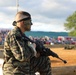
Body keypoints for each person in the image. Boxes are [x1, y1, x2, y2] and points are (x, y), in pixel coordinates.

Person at [2, 11, 52, 75]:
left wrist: (38, 53)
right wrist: (33, 49)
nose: (31, 24)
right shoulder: (14, 35)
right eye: (29, 21)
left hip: (22, 67)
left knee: (44, 60)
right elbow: (21, 56)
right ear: (23, 22)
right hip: (14, 70)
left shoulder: (21, 35)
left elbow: (26, 53)